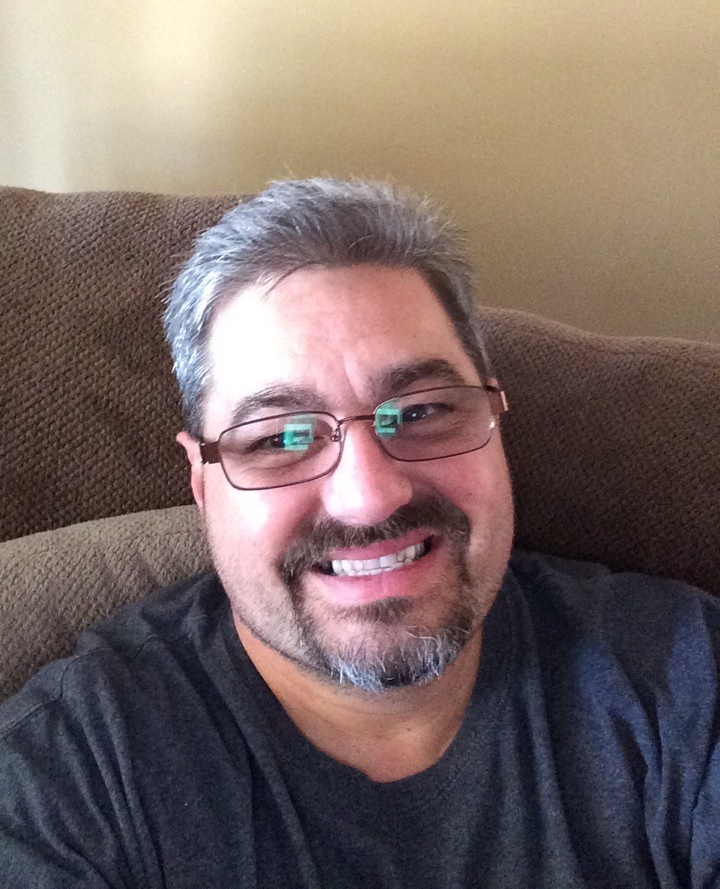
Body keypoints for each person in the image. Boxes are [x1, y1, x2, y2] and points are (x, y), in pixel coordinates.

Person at [0, 178, 718, 888]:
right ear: (201, 482)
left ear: (496, 421)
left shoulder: (684, 679)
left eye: (422, 411)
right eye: (280, 437)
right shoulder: (70, 779)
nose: (369, 498)